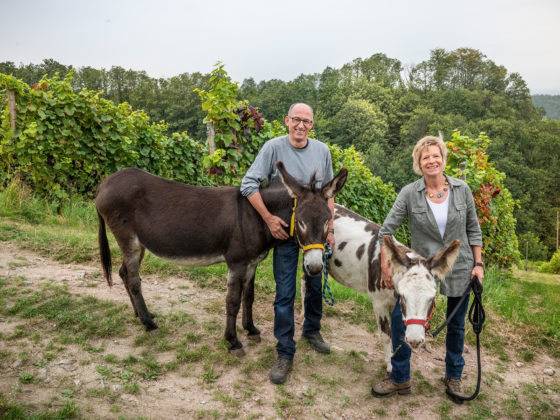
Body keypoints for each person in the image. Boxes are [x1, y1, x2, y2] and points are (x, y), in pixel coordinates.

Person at [371, 135, 484, 404]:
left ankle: (453, 375)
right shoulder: (410, 193)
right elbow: (386, 231)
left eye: (435, 155)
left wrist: (478, 264)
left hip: (459, 266)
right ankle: (400, 377)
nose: (431, 161)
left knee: (456, 325)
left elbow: (473, 230)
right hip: (420, 270)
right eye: (425, 157)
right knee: (401, 319)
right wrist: (387, 267)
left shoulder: (462, 190)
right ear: (418, 164)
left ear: (443, 159)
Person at [240, 103, 335, 385]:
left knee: (315, 285)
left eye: (306, 121)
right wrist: (269, 219)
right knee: (285, 292)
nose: (301, 125)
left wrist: (331, 228)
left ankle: (312, 329)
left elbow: (328, 194)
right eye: (296, 120)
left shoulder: (323, 151)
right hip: (285, 233)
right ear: (287, 121)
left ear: (312, 125)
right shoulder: (273, 148)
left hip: (315, 234)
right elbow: (248, 185)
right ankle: (284, 351)